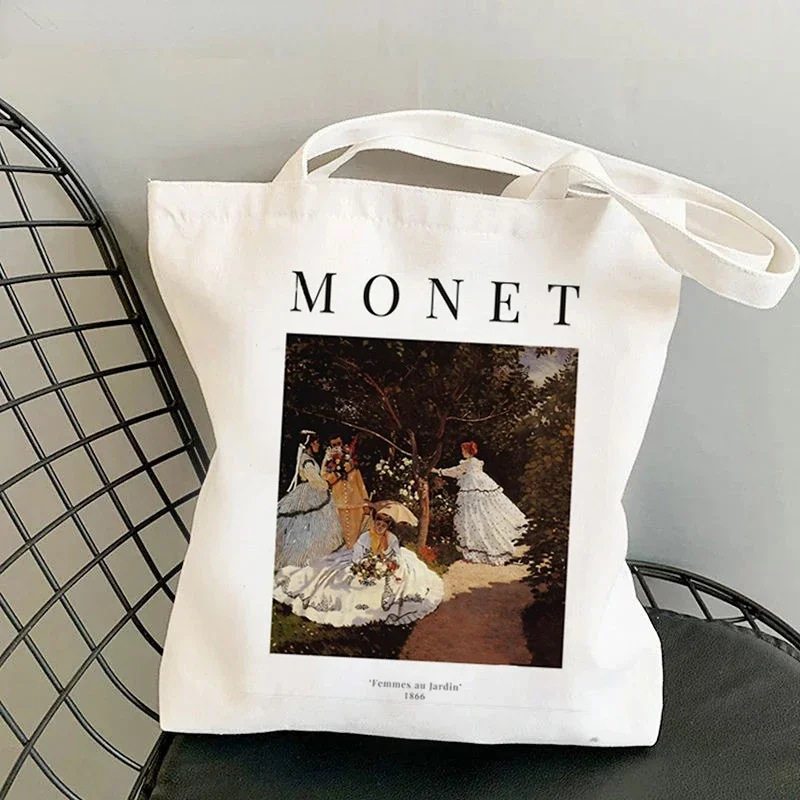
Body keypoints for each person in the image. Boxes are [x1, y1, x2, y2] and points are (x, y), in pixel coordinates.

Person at [273, 510, 444, 627]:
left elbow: (396, 556)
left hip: (383, 564)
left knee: (395, 581)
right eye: (378, 522)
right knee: (344, 580)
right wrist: (367, 563)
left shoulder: (391, 539)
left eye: (384, 524)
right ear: (374, 522)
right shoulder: (365, 537)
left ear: (388, 526)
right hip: (365, 562)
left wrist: (388, 562)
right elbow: (357, 555)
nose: (380, 526)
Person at [434, 440, 527, 565]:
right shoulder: (477, 462)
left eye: (463, 451)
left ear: (467, 451)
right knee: (483, 514)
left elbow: (455, 471)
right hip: (482, 485)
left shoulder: (468, 463)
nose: (462, 453)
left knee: (474, 514)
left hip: (473, 489)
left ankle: (480, 546)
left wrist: (438, 471)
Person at [274, 431, 343, 570]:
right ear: (310, 444)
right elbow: (315, 479)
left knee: (318, 525)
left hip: (315, 492)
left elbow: (319, 474)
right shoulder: (306, 460)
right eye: (316, 443)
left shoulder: (309, 458)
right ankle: (302, 559)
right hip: (309, 493)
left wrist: (326, 461)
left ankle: (315, 556)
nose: (318, 445)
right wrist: (327, 484)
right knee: (307, 525)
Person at [322, 433, 370, 549]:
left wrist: (366, 504)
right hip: (339, 505)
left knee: (355, 537)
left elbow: (361, 485)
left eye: (339, 443)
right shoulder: (331, 467)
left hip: (356, 505)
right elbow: (323, 476)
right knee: (341, 538)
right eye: (334, 445)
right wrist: (327, 460)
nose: (337, 447)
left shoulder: (353, 465)